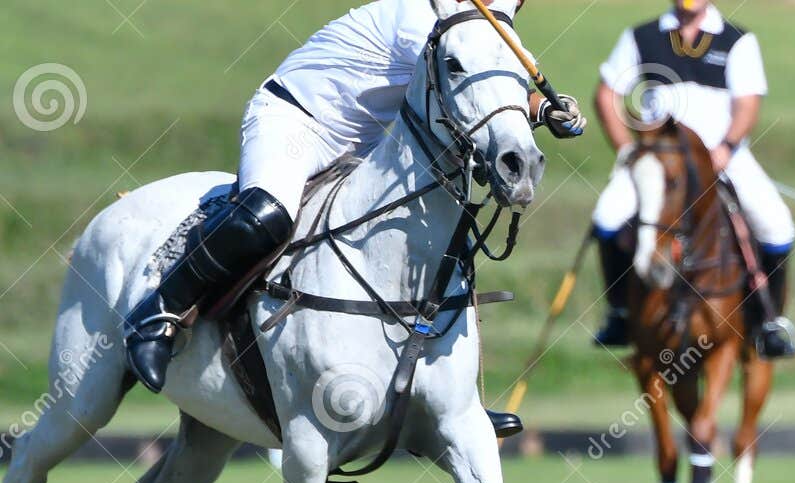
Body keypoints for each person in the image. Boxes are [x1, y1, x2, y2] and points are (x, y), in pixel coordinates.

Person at [123, 0, 583, 438]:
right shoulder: (426, 19)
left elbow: (490, 86)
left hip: (360, 143)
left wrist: (547, 110)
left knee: (442, 233)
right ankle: (158, 312)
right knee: (266, 216)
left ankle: (454, 397)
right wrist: (537, 107)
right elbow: (458, 81)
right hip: (296, 119)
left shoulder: (473, 26)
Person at [588, 0, 795, 359]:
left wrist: (727, 146)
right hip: (658, 162)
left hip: (722, 156)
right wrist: (628, 153)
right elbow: (607, 95)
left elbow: (747, 103)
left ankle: (769, 322)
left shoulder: (737, 39)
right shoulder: (642, 36)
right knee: (606, 218)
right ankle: (620, 313)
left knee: (777, 227)